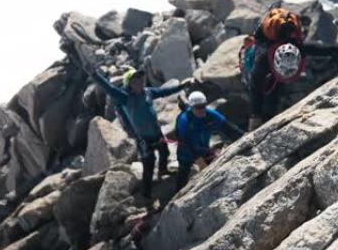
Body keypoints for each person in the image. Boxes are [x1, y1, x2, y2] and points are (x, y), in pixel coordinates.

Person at [241, 7, 338, 130]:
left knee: (275, 94)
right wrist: (255, 115)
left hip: (276, 61)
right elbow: (255, 86)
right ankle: (268, 115)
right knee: (270, 97)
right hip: (264, 61)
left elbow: (328, 49)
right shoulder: (262, 60)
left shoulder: (299, 47)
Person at [83, 63, 192, 198]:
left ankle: (163, 170)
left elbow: (164, 92)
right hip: (143, 139)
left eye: (141, 79)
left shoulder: (148, 92)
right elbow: (109, 88)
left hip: (156, 133)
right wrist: (94, 74)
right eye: (136, 80)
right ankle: (146, 196)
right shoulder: (125, 97)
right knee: (149, 165)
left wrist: (182, 86)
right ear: (129, 84)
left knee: (165, 152)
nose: (140, 82)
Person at [175, 91, 244, 192]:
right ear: (191, 107)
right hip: (186, 151)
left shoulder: (210, 114)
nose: (201, 110)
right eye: (198, 107)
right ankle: (178, 192)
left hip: (203, 148)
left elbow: (229, 128)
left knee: (210, 170)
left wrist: (244, 136)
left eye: (203, 106)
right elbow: (187, 143)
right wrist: (199, 161)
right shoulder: (184, 120)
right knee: (183, 171)